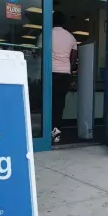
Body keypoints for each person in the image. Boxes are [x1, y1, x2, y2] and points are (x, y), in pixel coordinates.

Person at [37, 11, 78, 143]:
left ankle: (44, 132)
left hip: (49, 73)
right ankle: (56, 132)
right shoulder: (71, 37)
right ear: (64, 23)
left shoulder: (46, 34)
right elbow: (73, 58)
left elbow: (39, 54)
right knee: (59, 104)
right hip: (64, 74)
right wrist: (67, 67)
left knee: (46, 102)